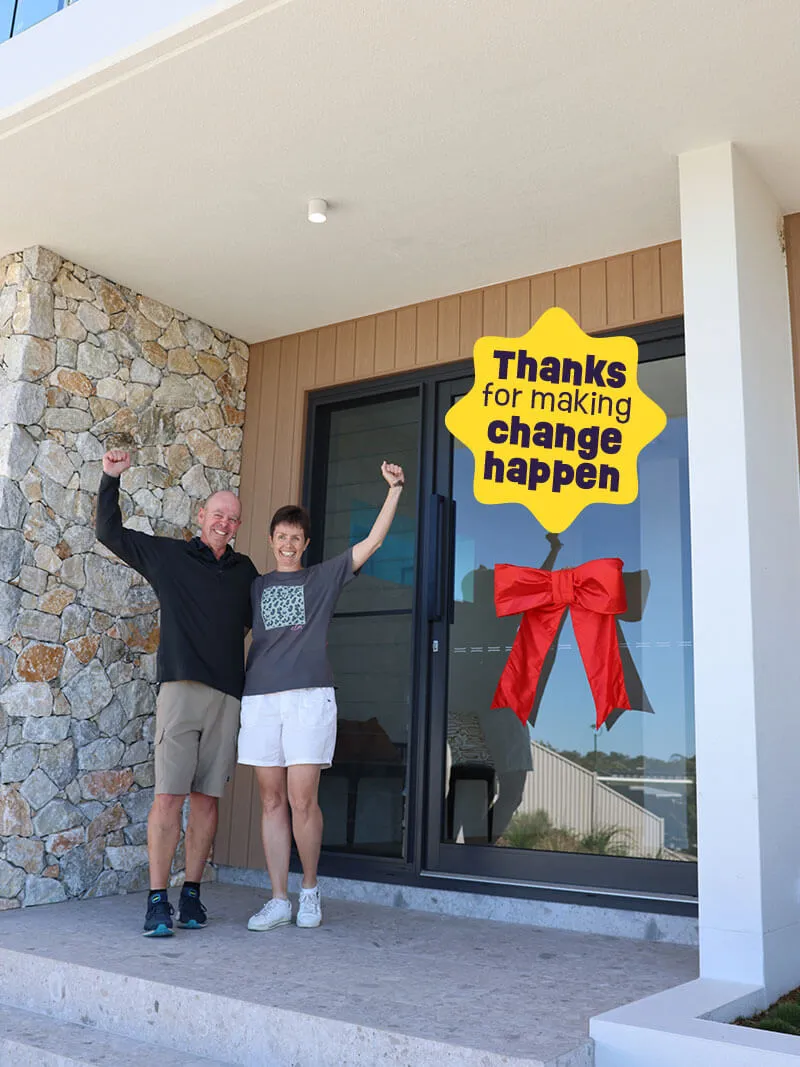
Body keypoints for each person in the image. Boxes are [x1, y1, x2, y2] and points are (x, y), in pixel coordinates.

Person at [96, 449, 257, 937]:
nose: (224, 524)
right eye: (218, 515)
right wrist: (109, 480)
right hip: (181, 690)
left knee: (207, 800)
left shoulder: (246, 572)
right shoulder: (168, 555)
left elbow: (270, 624)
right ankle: (156, 901)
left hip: (227, 696)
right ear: (201, 517)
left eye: (233, 519)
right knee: (169, 796)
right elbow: (110, 533)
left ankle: (191, 896)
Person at [238, 460, 405, 931]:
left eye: (296, 537)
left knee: (302, 798)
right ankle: (278, 898)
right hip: (261, 700)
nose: (288, 544)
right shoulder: (254, 586)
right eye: (281, 536)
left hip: (310, 699)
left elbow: (372, 544)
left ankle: (309, 889)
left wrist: (394, 490)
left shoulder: (322, 578)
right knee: (271, 801)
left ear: (305, 544)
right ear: (271, 541)